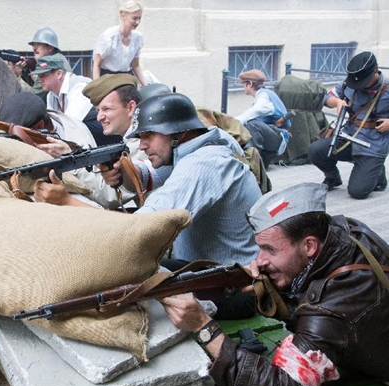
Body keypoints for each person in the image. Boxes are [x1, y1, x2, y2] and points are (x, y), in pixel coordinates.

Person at [160, 182, 389, 386]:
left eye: (270, 249)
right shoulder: (342, 232)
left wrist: (204, 327)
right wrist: (273, 292)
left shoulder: (331, 308)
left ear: (309, 245)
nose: (259, 261)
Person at [35, 92, 261, 266]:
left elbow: (139, 230)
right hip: (209, 266)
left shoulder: (204, 164)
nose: (142, 145)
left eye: (148, 136)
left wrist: (66, 202)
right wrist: (121, 172)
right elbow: (147, 176)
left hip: (231, 282)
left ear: (178, 133)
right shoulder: (205, 141)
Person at [308, 51, 389, 199]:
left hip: (373, 146)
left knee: (357, 192)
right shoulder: (349, 83)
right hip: (349, 138)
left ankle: (378, 173)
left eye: (364, 81)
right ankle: (333, 178)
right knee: (316, 150)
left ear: (376, 70)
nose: (360, 85)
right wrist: (337, 102)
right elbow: (327, 97)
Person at [30, 53, 115, 146]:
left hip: (107, 133)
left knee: (76, 129)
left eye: (43, 75)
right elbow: (53, 124)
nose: (39, 79)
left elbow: (70, 124)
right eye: (38, 76)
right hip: (83, 132)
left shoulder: (79, 87)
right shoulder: (51, 95)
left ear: (58, 74)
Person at [236, 69, 291, 168]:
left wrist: (233, 122)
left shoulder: (264, 96)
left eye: (244, 84)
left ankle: (255, 160)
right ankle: (256, 159)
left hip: (278, 137)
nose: (243, 87)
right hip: (273, 136)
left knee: (251, 124)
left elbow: (254, 111)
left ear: (250, 84)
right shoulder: (263, 95)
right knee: (249, 124)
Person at [92, 0, 148, 86]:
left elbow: (135, 65)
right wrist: (96, 88)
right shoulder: (109, 37)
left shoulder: (138, 38)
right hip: (108, 78)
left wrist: (147, 86)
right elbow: (96, 65)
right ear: (123, 16)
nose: (137, 22)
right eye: (134, 18)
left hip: (127, 78)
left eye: (139, 18)